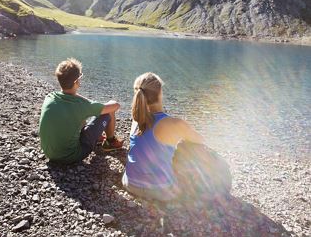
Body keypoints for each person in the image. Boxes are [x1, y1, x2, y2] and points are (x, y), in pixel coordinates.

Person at [122, 72, 231, 201]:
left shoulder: (137, 119)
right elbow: (200, 140)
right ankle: (218, 188)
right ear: (160, 93)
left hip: (130, 183)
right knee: (191, 147)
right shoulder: (174, 123)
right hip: (160, 190)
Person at [39, 58, 123, 164]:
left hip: (49, 153)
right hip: (72, 155)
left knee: (77, 117)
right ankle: (110, 142)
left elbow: (74, 106)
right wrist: (94, 104)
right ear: (76, 81)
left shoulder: (50, 97)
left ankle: (97, 137)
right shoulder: (81, 106)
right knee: (108, 112)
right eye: (80, 77)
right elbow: (116, 106)